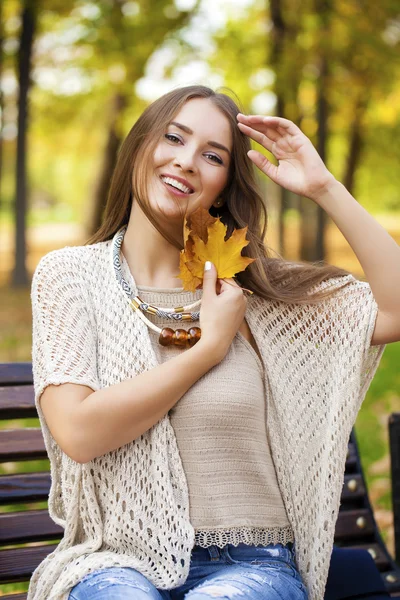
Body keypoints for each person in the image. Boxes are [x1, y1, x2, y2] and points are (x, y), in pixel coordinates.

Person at [28, 84, 398, 600]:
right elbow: (80, 432)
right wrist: (208, 350)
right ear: (139, 146)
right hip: (116, 563)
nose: (186, 162)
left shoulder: (252, 292)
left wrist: (324, 187)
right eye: (173, 138)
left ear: (224, 185)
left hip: (253, 567)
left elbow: (394, 309)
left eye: (212, 155)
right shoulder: (70, 277)